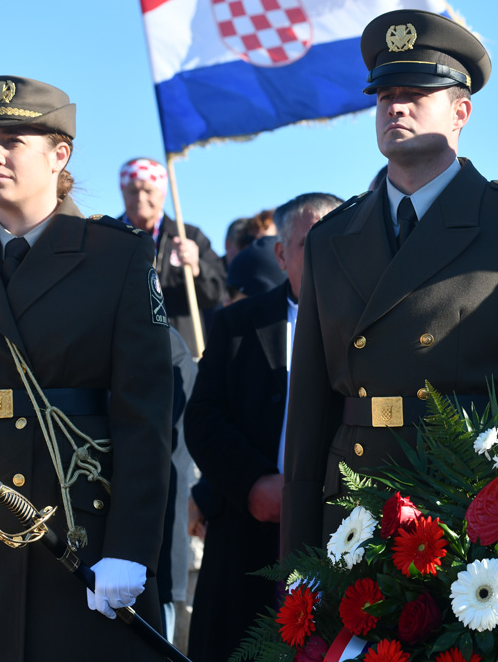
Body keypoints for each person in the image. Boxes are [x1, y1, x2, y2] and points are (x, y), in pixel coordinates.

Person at [281, 10, 498, 556]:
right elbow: (308, 411)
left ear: (460, 112)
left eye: (415, 94)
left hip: (466, 508)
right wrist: (298, 560)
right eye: (385, 95)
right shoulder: (332, 238)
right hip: (354, 506)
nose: (395, 107)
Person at [0, 75, 173, 661]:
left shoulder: (116, 256)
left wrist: (131, 547)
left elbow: (146, 417)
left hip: (73, 525)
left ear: (59, 155)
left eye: (13, 141)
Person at [184, 192, 340, 662]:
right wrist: (253, 482)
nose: (323, 257)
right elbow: (204, 418)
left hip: (338, 534)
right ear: (281, 254)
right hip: (246, 537)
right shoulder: (237, 324)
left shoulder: (370, 327)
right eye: (309, 245)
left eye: (335, 244)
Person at [119, 158, 226, 356]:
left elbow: (217, 293)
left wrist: (197, 268)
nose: (140, 197)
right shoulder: (108, 236)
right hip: (124, 350)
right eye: (133, 191)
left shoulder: (189, 235)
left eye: (148, 190)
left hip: (180, 352)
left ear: (162, 193)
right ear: (122, 192)